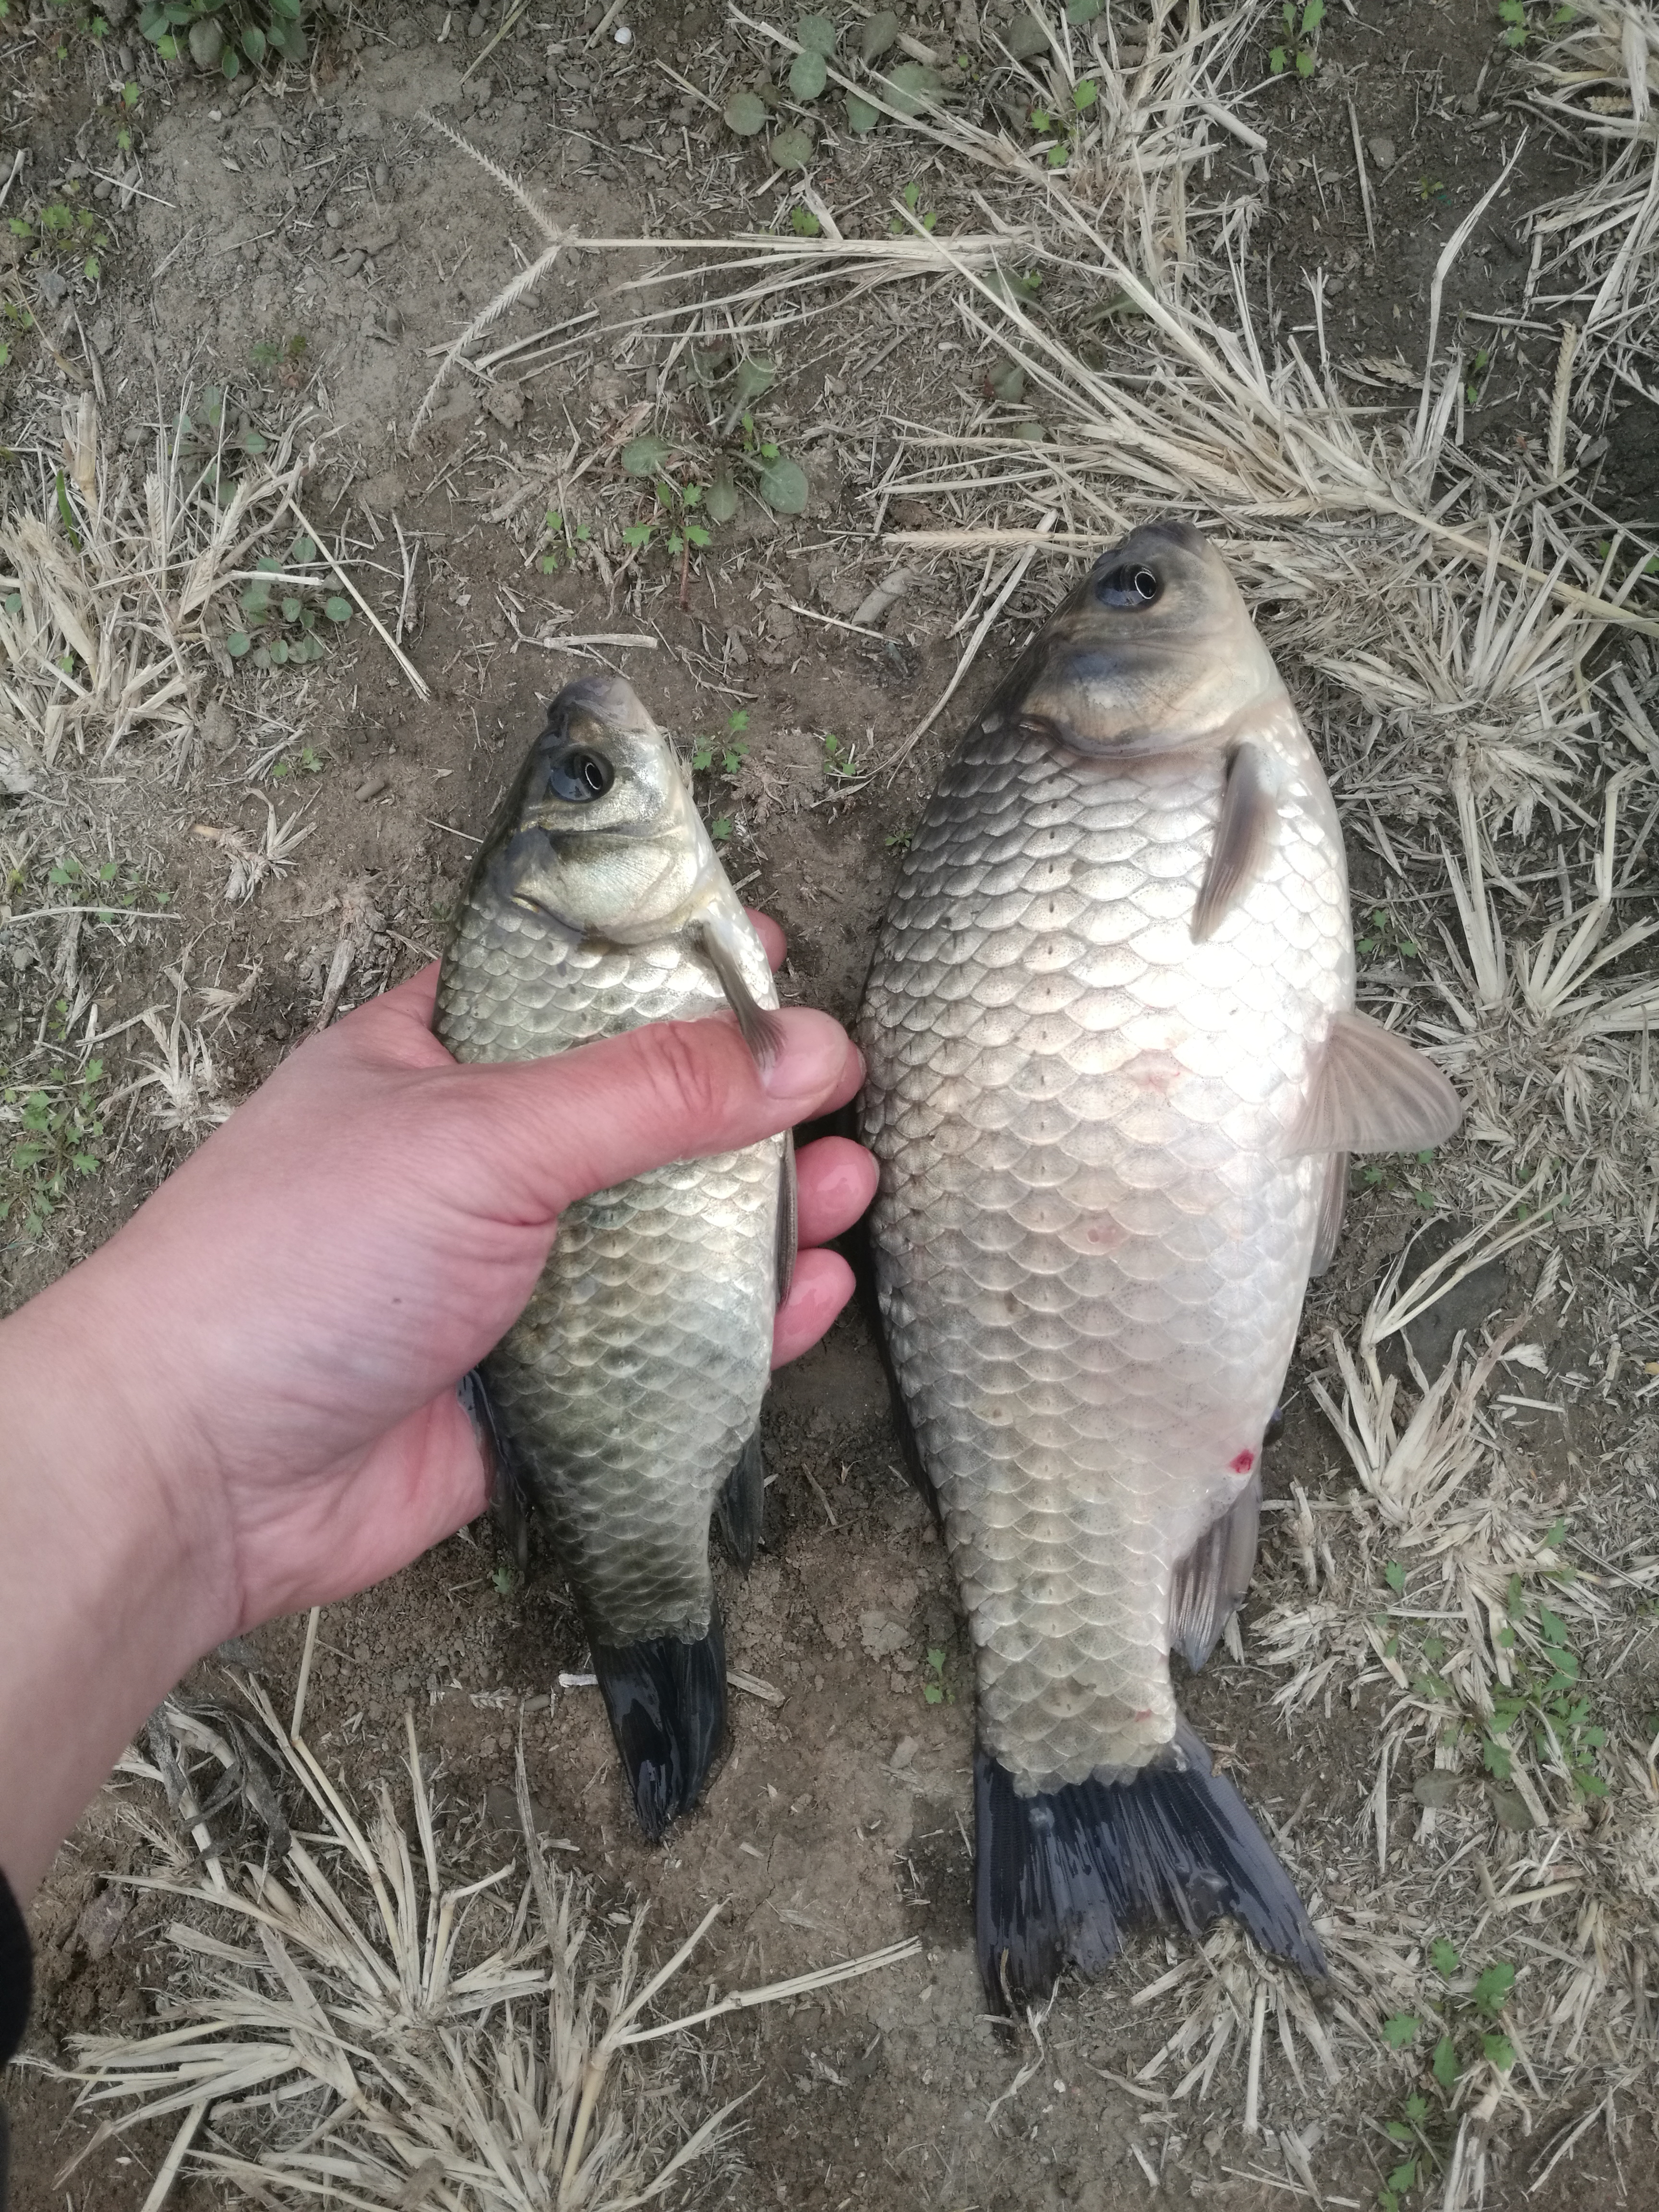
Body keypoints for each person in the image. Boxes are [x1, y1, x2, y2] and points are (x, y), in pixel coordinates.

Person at [0, 919, 873, 2109]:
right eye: (593, 781)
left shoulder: (599, 936)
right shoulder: (647, 934)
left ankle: (656, 1622)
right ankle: (657, 1623)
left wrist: (174, 1439)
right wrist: (164, 1439)